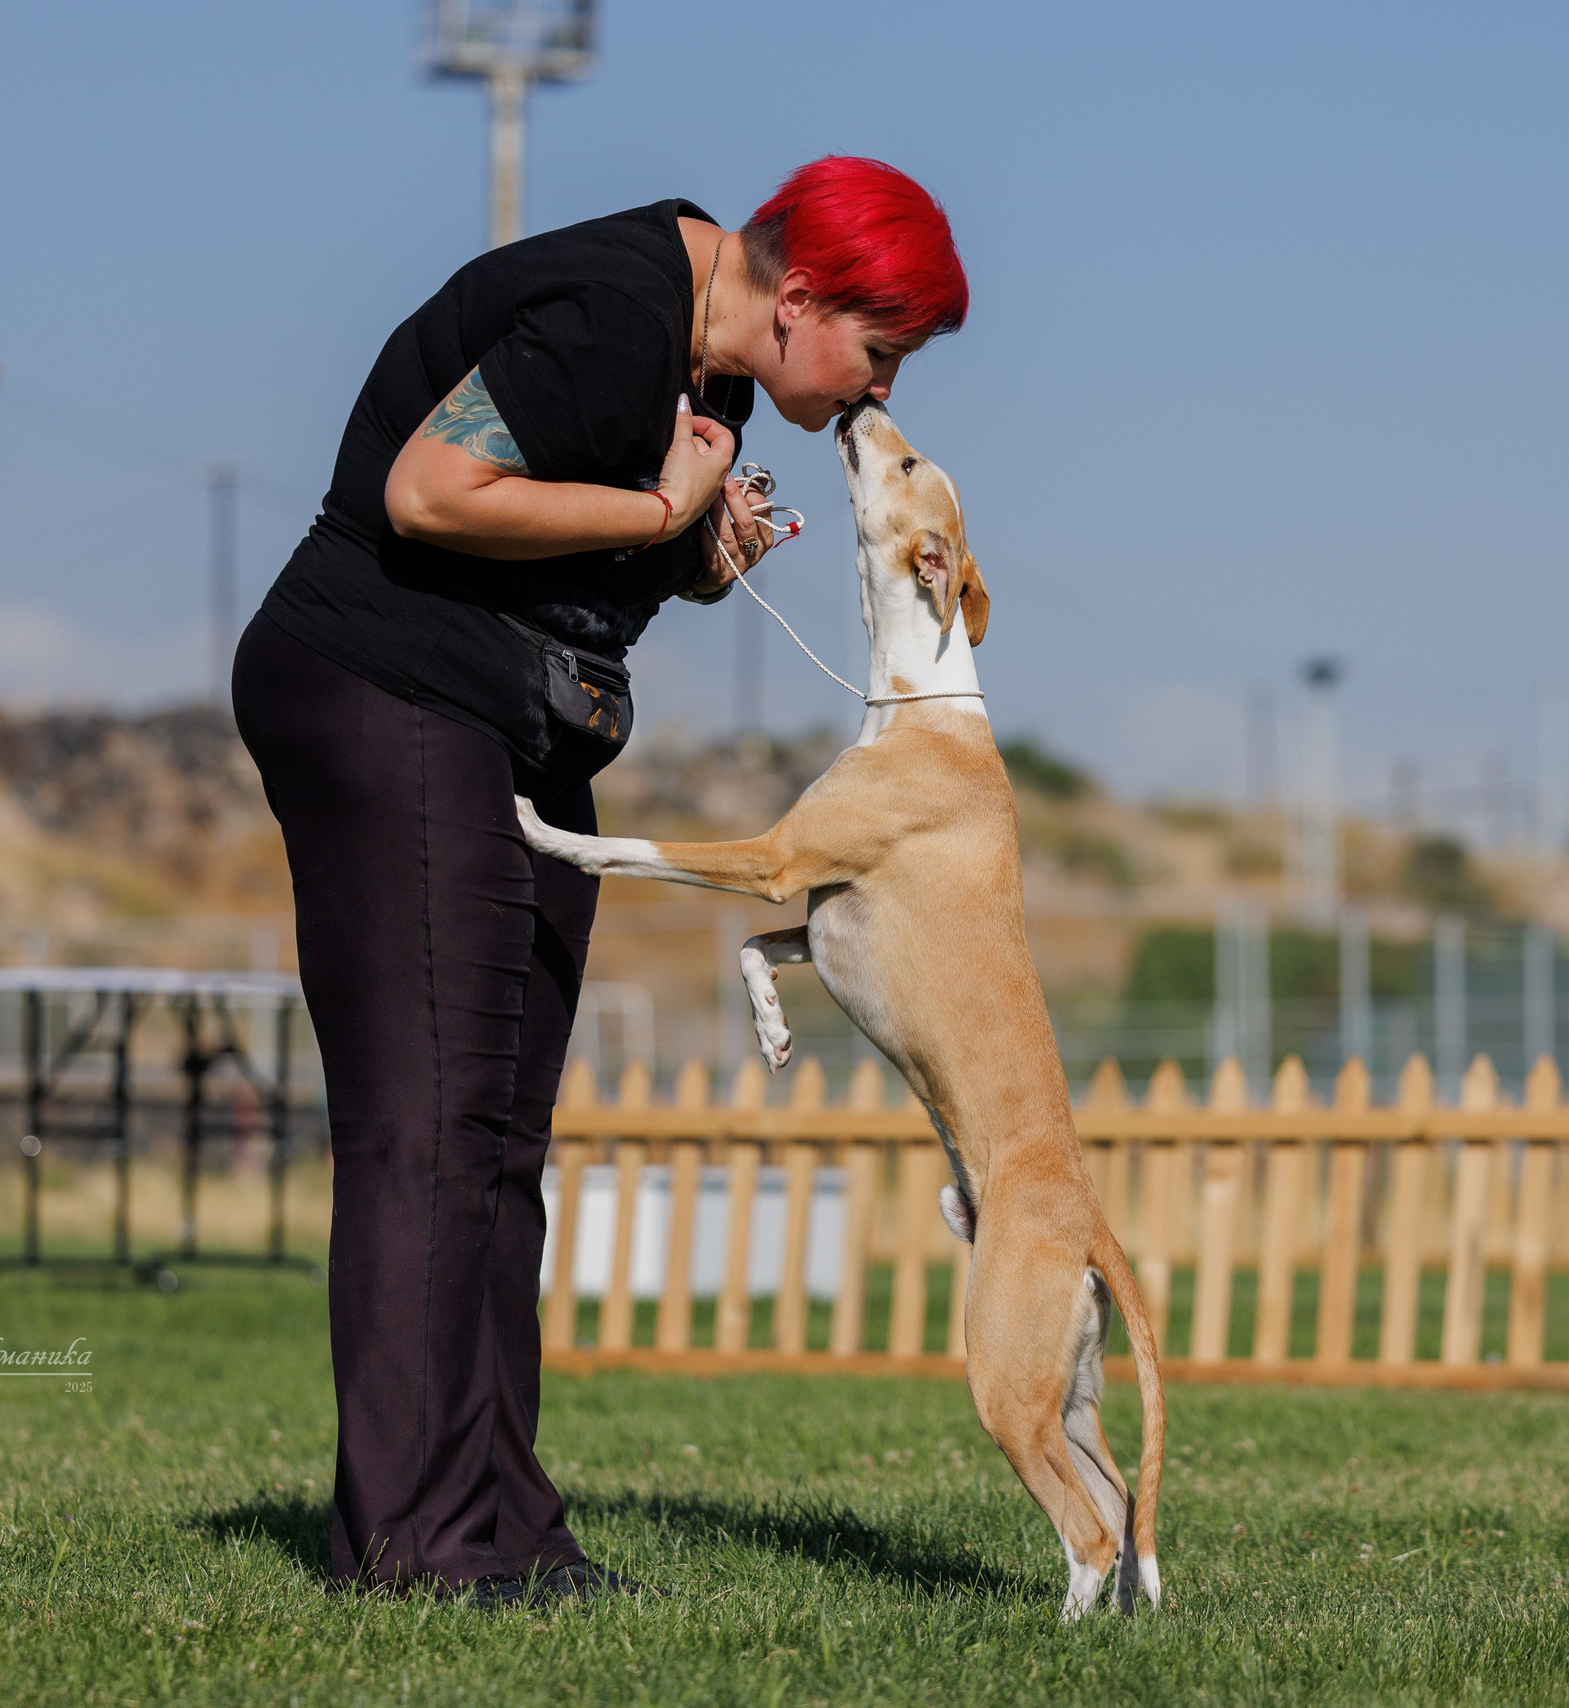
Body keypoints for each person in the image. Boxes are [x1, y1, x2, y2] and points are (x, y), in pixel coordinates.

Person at [232, 157, 968, 1608]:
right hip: (387, 692)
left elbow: (571, 536)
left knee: (499, 1145)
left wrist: (697, 550)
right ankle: (412, 1549)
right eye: (880, 357)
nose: (879, 395)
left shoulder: (710, 362)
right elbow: (430, 490)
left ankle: (501, 1527)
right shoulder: (617, 310)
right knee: (429, 1134)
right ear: (802, 296)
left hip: (504, 716)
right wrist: (654, 516)